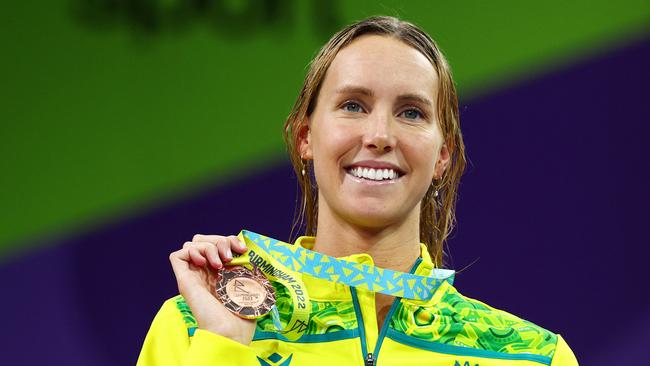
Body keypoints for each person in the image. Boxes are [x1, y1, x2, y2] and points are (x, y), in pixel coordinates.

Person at [137, 16, 578, 366]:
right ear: (305, 137)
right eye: (353, 106)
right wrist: (225, 346)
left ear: (443, 155)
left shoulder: (530, 356)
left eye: (410, 112)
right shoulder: (191, 327)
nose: (380, 134)